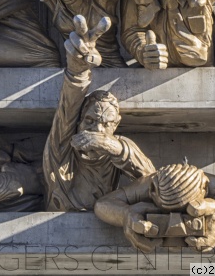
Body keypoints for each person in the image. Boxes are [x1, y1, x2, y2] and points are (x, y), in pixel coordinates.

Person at [43, 15, 155, 212]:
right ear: (77, 122)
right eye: (90, 121)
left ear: (116, 125)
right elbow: (68, 107)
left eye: (105, 124)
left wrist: (109, 145)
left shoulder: (117, 150)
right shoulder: (63, 150)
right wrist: (77, 71)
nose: (96, 129)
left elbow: (153, 183)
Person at [94, 163, 215, 253]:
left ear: (204, 189)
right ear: (152, 192)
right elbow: (102, 205)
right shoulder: (151, 183)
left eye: (186, 213)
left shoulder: (206, 181)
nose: (177, 221)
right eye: (166, 213)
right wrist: (126, 215)